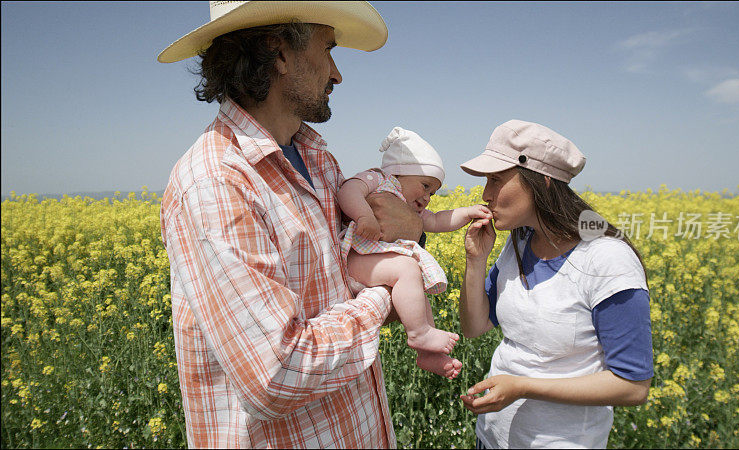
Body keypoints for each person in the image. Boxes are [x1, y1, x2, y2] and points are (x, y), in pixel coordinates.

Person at [158, 2, 416, 447]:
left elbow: (351, 273)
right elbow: (275, 374)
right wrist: (383, 297)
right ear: (278, 53)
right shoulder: (216, 182)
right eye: (328, 49)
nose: (337, 74)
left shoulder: (319, 163)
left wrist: (406, 235)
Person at [457, 120, 653, 448]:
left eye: (496, 180)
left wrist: (523, 387)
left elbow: (633, 386)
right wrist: (475, 261)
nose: (485, 195)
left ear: (543, 182)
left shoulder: (607, 260)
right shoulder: (519, 240)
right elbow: (474, 327)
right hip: (491, 438)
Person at [338, 127, 492, 379]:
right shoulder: (379, 180)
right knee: (407, 269)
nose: (428, 196)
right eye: (424, 185)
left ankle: (426, 352)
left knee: (415, 286)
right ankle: (419, 333)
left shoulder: (412, 209)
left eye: (433, 192)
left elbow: (437, 221)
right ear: (399, 171)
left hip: (371, 262)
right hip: (355, 258)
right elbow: (348, 190)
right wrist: (364, 215)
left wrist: (467, 213)